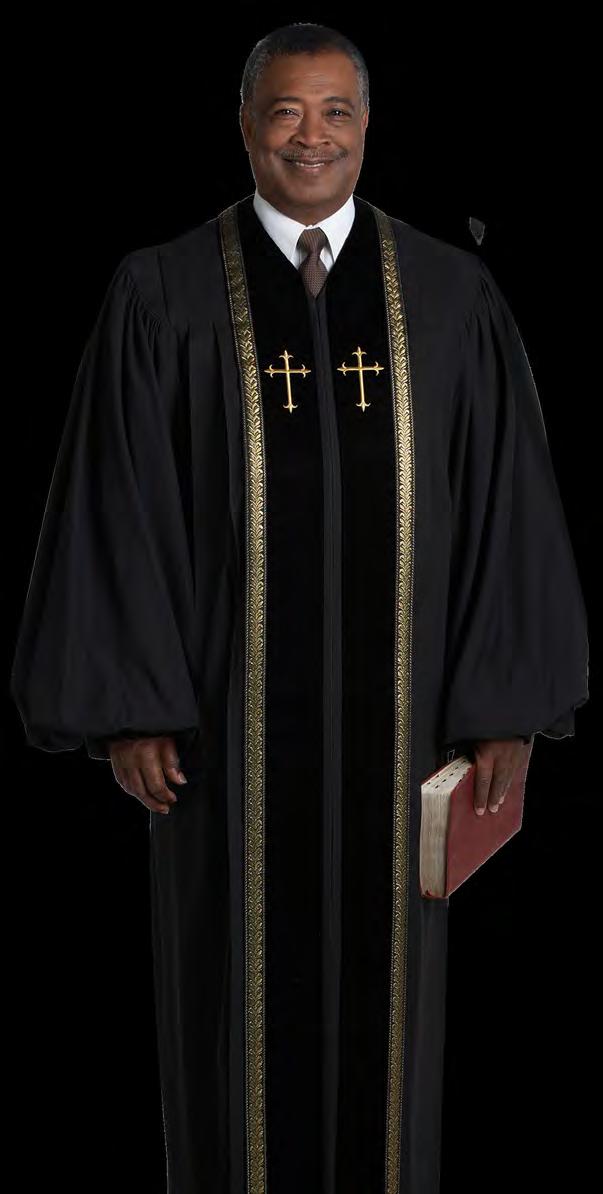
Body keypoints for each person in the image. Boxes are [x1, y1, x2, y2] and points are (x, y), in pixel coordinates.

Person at [10, 21, 589, 1194]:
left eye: (334, 111)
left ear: (368, 126)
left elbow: (506, 501)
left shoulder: (448, 294)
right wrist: (133, 706)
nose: (310, 136)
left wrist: (505, 707)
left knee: (392, 1053)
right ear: (246, 126)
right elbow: (120, 503)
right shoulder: (165, 292)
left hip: (404, 754)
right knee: (232, 1035)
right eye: (285, 111)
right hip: (225, 757)